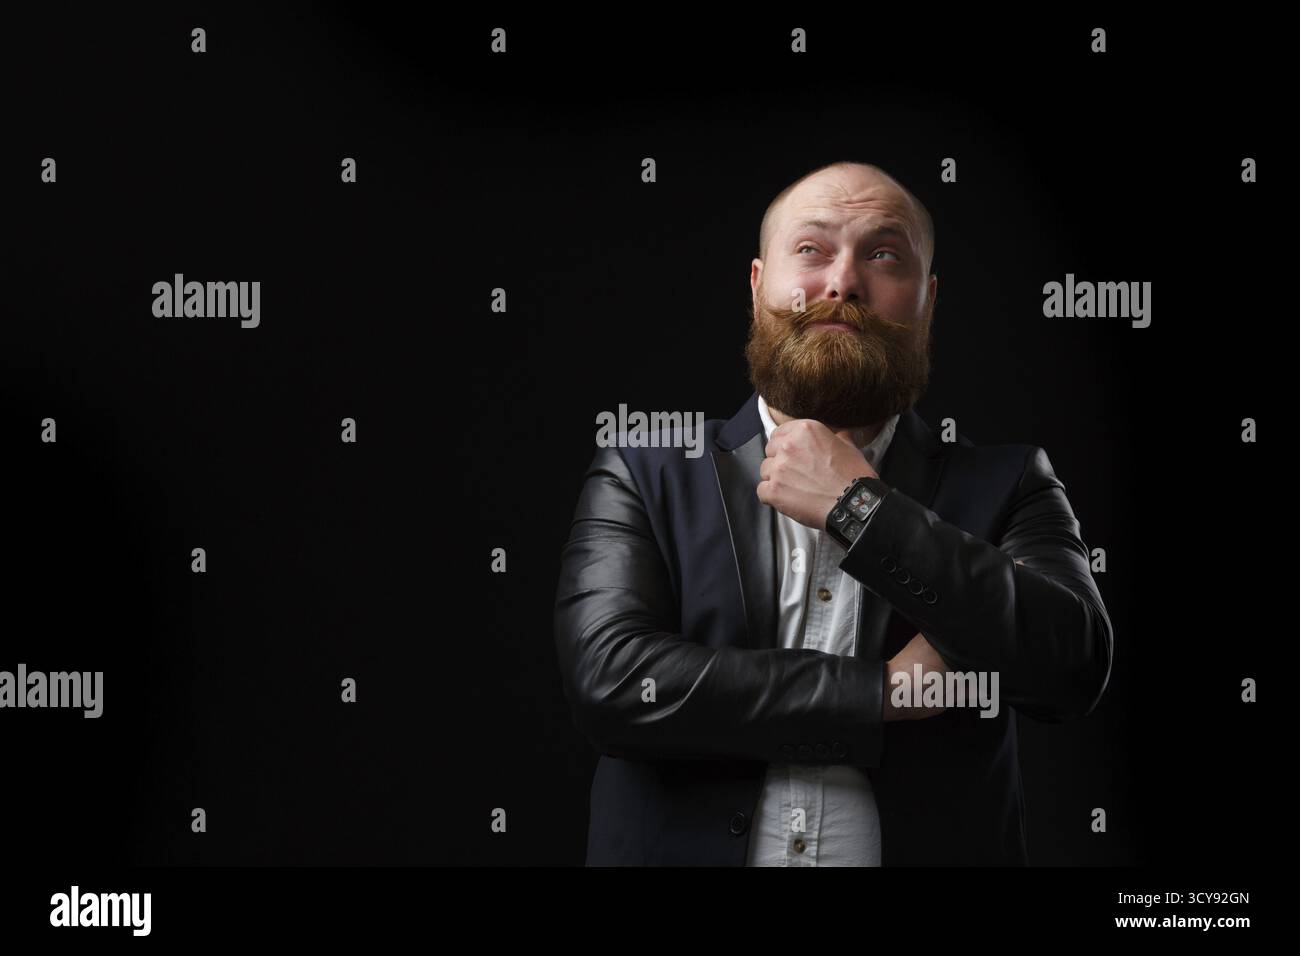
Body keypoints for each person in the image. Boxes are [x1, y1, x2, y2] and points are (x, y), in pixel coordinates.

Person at [553, 161, 1113, 866]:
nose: (844, 282)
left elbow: (1071, 666)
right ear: (758, 287)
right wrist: (881, 693)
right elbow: (612, 684)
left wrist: (861, 509)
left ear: (927, 301)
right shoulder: (643, 470)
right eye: (812, 250)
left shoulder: (1008, 483)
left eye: (884, 255)